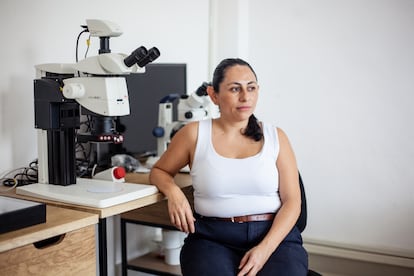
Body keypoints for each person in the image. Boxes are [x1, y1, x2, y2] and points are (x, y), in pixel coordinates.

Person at [149, 58, 308, 275]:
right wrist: (174, 192)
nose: (245, 97)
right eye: (235, 89)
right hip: (211, 239)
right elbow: (160, 171)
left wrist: (264, 250)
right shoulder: (194, 134)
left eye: (251, 88)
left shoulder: (276, 136)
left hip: (274, 237)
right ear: (213, 94)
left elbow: (292, 202)